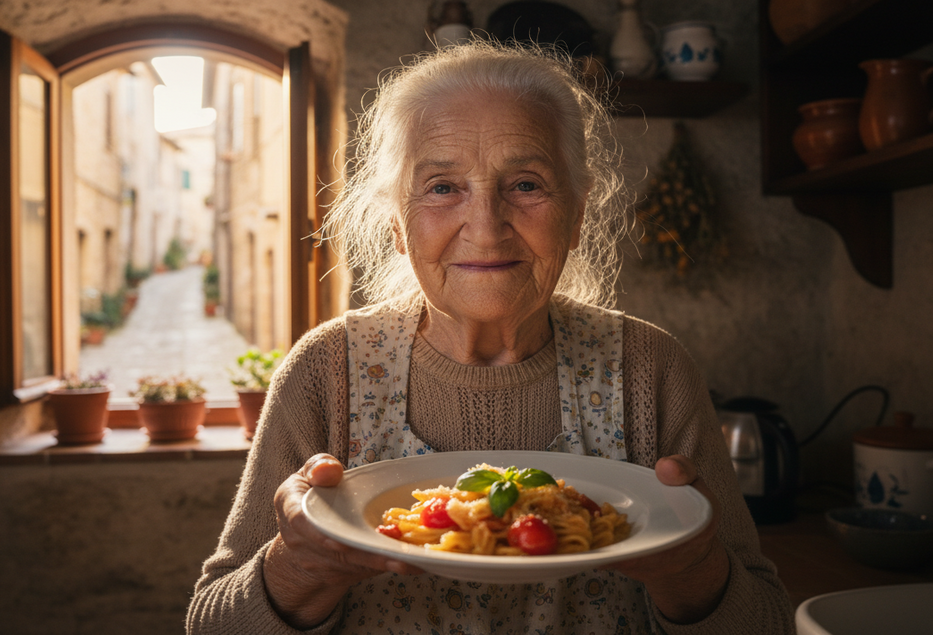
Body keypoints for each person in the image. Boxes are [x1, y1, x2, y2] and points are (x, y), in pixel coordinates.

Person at [187, 41, 795, 635]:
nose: (485, 226)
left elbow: (768, 622)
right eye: (443, 187)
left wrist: (692, 571)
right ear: (399, 223)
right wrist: (295, 571)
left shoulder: (649, 367)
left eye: (526, 184)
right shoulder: (324, 370)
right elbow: (209, 623)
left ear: (577, 215)